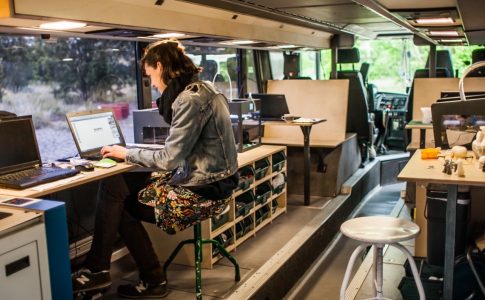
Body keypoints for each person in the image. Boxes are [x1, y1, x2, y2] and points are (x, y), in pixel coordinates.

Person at [72, 39, 239, 298]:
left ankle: (116, 272)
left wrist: (124, 153)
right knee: (117, 189)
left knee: (121, 202)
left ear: (160, 66)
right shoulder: (206, 88)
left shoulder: (189, 99)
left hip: (202, 193)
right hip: (216, 183)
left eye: (150, 76)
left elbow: (170, 159)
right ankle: (114, 272)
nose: (154, 85)